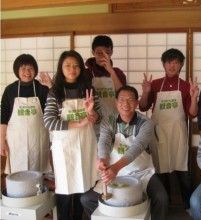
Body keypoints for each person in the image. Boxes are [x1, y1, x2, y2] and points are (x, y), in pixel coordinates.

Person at [80, 85, 168, 220]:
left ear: (136, 103)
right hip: (116, 174)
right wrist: (102, 159)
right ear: (116, 102)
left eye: (130, 100)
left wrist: (115, 168)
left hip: (142, 172)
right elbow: (104, 142)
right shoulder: (108, 121)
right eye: (121, 100)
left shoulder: (146, 123)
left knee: (161, 198)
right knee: (86, 199)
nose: (125, 104)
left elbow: (137, 147)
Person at [43, 50, 101, 220]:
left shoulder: (88, 90)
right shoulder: (55, 92)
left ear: (81, 69)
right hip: (64, 147)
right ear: (61, 68)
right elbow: (49, 121)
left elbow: (99, 117)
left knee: (82, 185)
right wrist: (80, 123)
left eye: (76, 66)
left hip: (85, 144)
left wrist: (93, 116)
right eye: (67, 65)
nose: (72, 69)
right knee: (65, 188)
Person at [139, 48, 199, 211]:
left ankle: (188, 206)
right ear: (164, 64)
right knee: (161, 169)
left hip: (178, 133)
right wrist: (145, 92)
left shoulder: (186, 86)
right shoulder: (156, 84)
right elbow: (143, 106)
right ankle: (163, 206)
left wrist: (193, 98)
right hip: (158, 133)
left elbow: (192, 114)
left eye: (176, 62)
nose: (172, 65)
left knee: (182, 170)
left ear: (181, 65)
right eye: (169, 62)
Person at [0, 54, 51, 174]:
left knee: (38, 174)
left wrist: (50, 86)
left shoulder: (42, 89)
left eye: (30, 68)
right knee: (18, 175)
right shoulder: (10, 90)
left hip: (38, 141)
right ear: (17, 70)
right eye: (23, 68)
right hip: (16, 142)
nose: (27, 72)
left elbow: (54, 111)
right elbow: (3, 117)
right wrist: (1, 140)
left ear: (35, 70)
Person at [85, 35, 126, 118]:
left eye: (107, 53)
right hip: (93, 120)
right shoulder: (86, 73)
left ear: (111, 52)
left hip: (115, 119)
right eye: (99, 53)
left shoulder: (118, 73)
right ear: (93, 52)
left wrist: (111, 71)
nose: (103, 56)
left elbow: (123, 95)